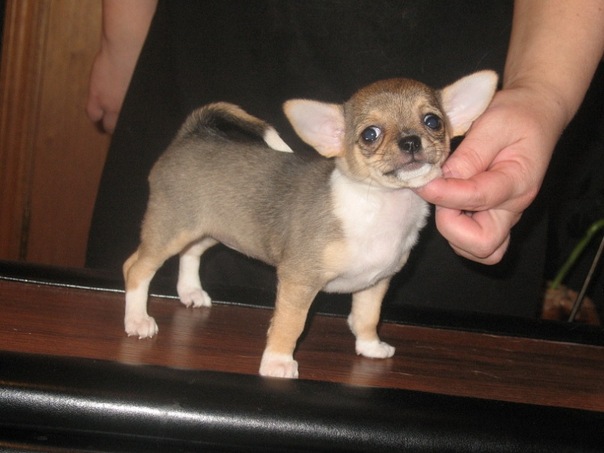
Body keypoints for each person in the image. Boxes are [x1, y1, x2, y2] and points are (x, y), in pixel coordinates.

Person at [86, 0, 604, 318]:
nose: (408, 141)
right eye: (374, 135)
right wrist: (122, 39)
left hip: (466, 34)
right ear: (332, 137)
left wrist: (541, 91)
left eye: (430, 124)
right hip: (213, 44)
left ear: (455, 118)